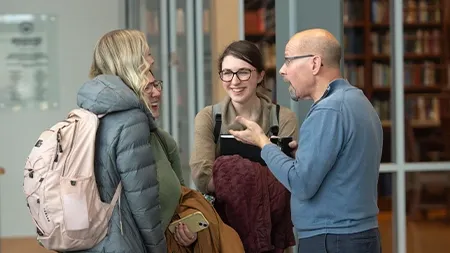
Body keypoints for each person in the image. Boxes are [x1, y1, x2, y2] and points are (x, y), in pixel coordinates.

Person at [229, 28, 383, 253]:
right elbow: (344, 164)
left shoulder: (328, 110)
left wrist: (263, 143)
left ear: (314, 63)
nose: (282, 70)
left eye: (288, 60)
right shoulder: (357, 101)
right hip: (359, 236)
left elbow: (301, 183)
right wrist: (299, 156)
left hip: (332, 240)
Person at [190, 40, 298, 252]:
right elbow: (202, 176)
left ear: (259, 75)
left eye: (243, 73)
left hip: (272, 234)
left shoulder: (283, 117)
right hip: (224, 231)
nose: (234, 81)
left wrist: (230, 172)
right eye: (227, 73)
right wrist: (263, 177)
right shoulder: (209, 118)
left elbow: (288, 179)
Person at [75, 29, 167, 252]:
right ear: (130, 61)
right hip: (123, 242)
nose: (152, 60)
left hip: (91, 239)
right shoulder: (131, 119)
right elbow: (143, 201)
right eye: (147, 55)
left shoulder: (91, 112)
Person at [144, 70, 245, 252]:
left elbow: (182, 197)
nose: (157, 93)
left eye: (156, 84)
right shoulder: (208, 117)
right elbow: (202, 177)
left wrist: (188, 231)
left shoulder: (163, 140)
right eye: (147, 87)